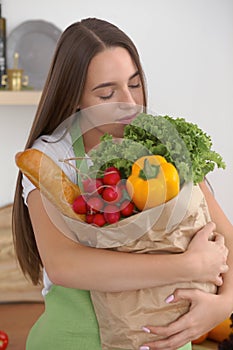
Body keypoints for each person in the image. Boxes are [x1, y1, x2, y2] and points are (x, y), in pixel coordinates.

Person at [12, 18, 232, 350]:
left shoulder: (159, 145)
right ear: (75, 98)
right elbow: (64, 266)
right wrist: (189, 265)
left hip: (168, 341)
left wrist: (222, 305)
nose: (129, 103)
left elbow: (227, 236)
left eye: (135, 83)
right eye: (107, 92)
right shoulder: (51, 156)